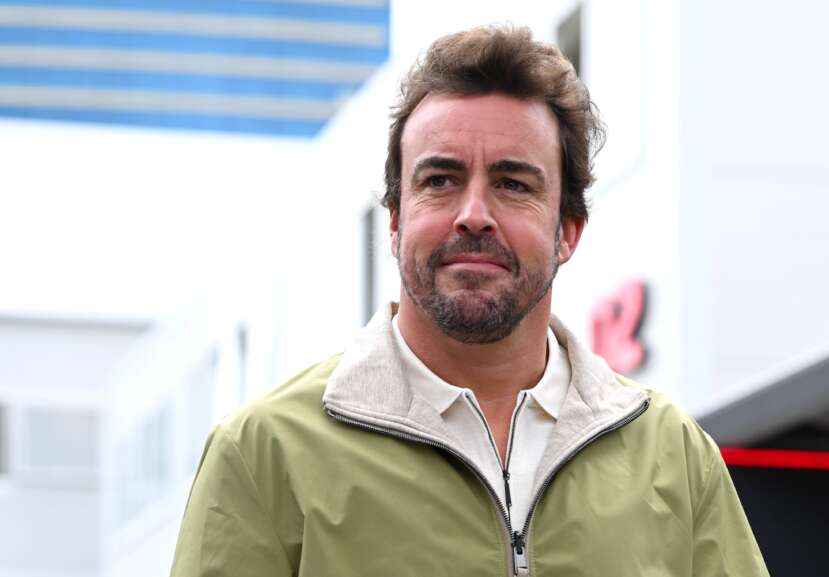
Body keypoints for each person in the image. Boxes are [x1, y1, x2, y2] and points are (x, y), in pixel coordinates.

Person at [170, 25, 768, 577]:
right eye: (440, 181)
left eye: (512, 183)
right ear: (395, 221)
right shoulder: (264, 452)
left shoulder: (675, 455)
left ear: (567, 231)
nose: (474, 214)